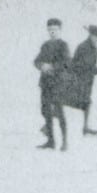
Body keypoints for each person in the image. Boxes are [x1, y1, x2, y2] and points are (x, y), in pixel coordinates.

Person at [34, 18, 72, 150]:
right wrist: (41, 66)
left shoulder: (63, 45)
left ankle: (64, 141)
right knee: (45, 111)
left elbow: (67, 63)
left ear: (60, 30)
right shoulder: (45, 45)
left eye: (55, 30)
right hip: (45, 83)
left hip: (58, 83)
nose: (52, 32)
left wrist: (51, 67)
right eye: (50, 30)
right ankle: (50, 141)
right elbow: (37, 60)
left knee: (59, 111)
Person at [69, 24, 97, 137]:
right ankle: (47, 125)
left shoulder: (94, 49)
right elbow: (78, 64)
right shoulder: (83, 47)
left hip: (88, 81)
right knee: (69, 101)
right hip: (78, 79)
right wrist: (96, 70)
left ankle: (85, 128)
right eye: (96, 37)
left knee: (86, 103)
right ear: (91, 35)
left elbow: (91, 65)